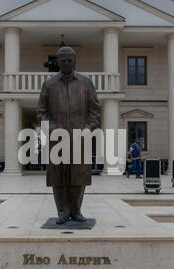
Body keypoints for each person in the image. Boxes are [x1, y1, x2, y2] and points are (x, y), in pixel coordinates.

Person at [37, 46, 101, 225]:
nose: (66, 63)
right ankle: (62, 212)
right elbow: (41, 111)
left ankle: (76, 209)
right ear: (57, 62)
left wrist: (86, 129)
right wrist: (50, 129)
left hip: (80, 139)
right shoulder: (49, 84)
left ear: (75, 61)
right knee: (58, 178)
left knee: (78, 177)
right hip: (57, 140)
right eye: (63, 60)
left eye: (69, 60)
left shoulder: (86, 83)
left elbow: (94, 110)